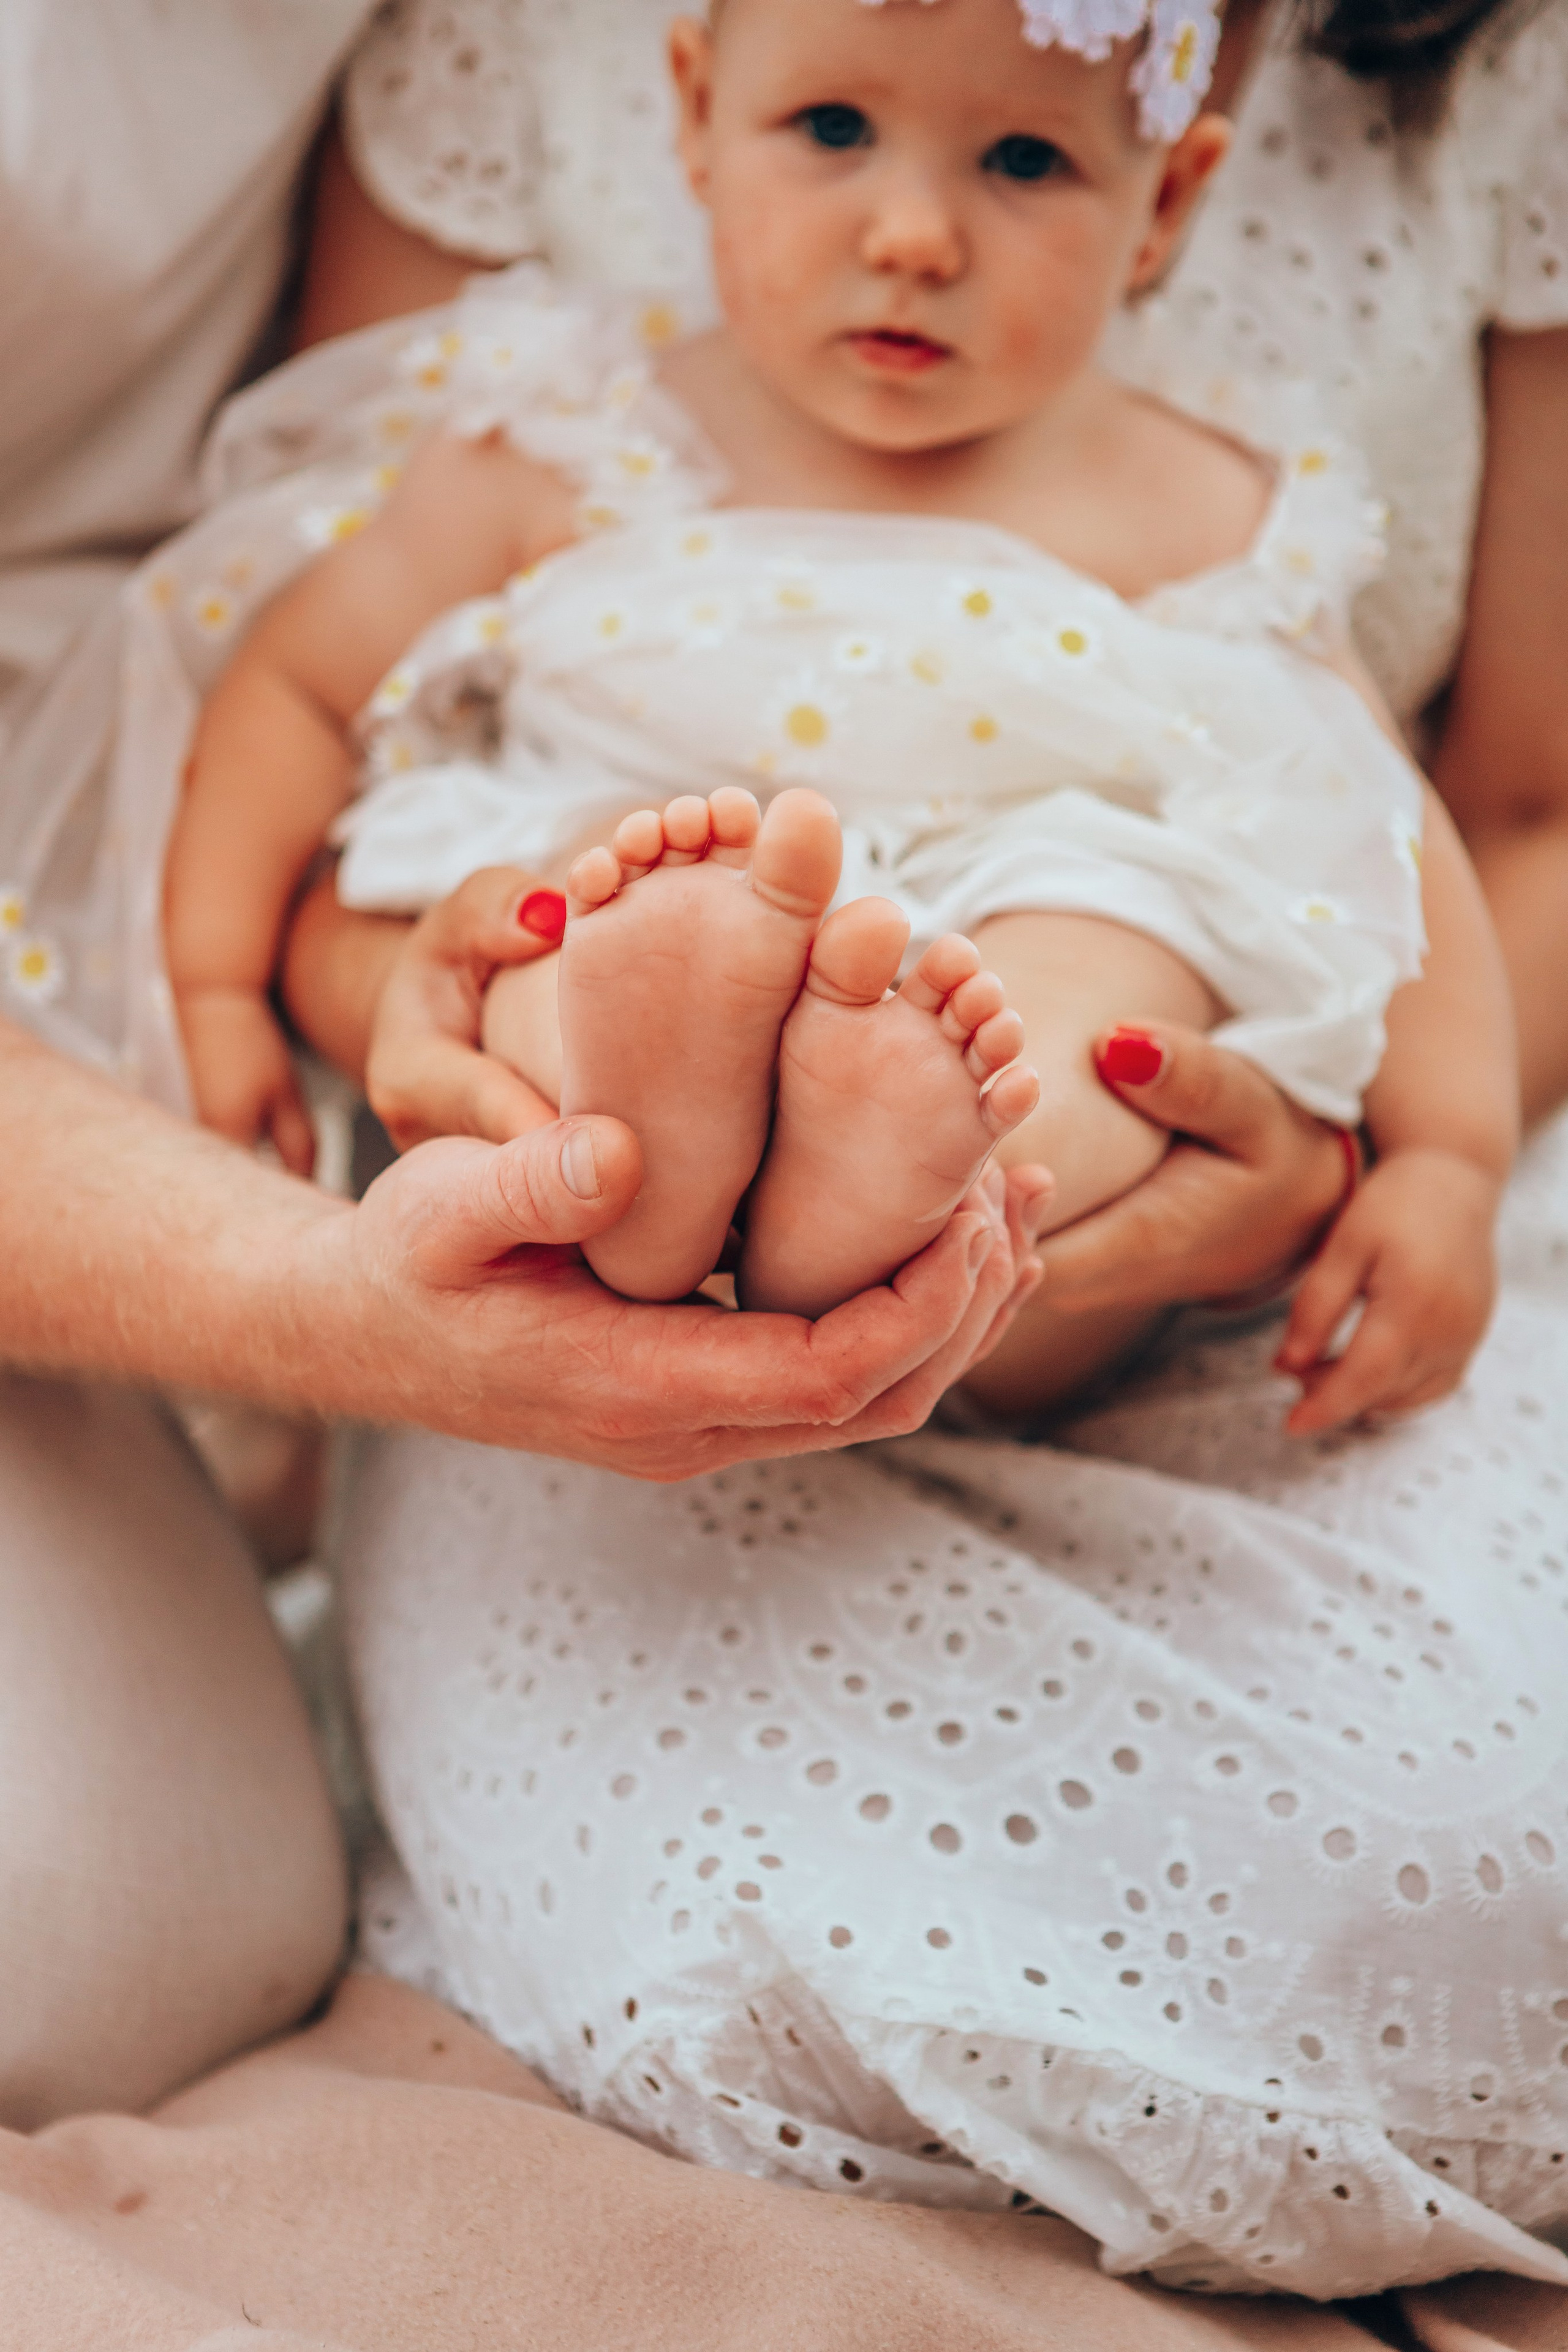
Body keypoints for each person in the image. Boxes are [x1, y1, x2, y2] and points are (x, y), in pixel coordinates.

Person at [159, 0, 1506, 1427]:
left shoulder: (1205, 502)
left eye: (1024, 162)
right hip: (652, 864)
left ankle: (911, 1152)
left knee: (1100, 944)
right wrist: (213, 983)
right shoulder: (573, 433)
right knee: (587, 898)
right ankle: (651, 1133)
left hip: (1031, 1003)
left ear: (1164, 198)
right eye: (835, 131)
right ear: (692, 111)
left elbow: (1372, 822)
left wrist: (1444, 1164)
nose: (914, 237)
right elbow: (303, 684)